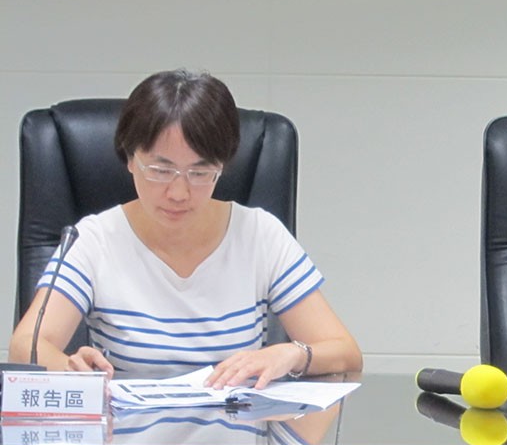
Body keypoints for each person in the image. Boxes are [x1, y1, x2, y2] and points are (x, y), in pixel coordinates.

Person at [8, 69, 362, 388]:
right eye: (160, 171)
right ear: (129, 158)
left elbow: (345, 353)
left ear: (222, 166)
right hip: (126, 434)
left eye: (200, 172)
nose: (179, 192)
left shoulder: (259, 234)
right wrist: (72, 369)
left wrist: (291, 354)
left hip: (236, 434)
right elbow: (26, 346)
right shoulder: (95, 239)